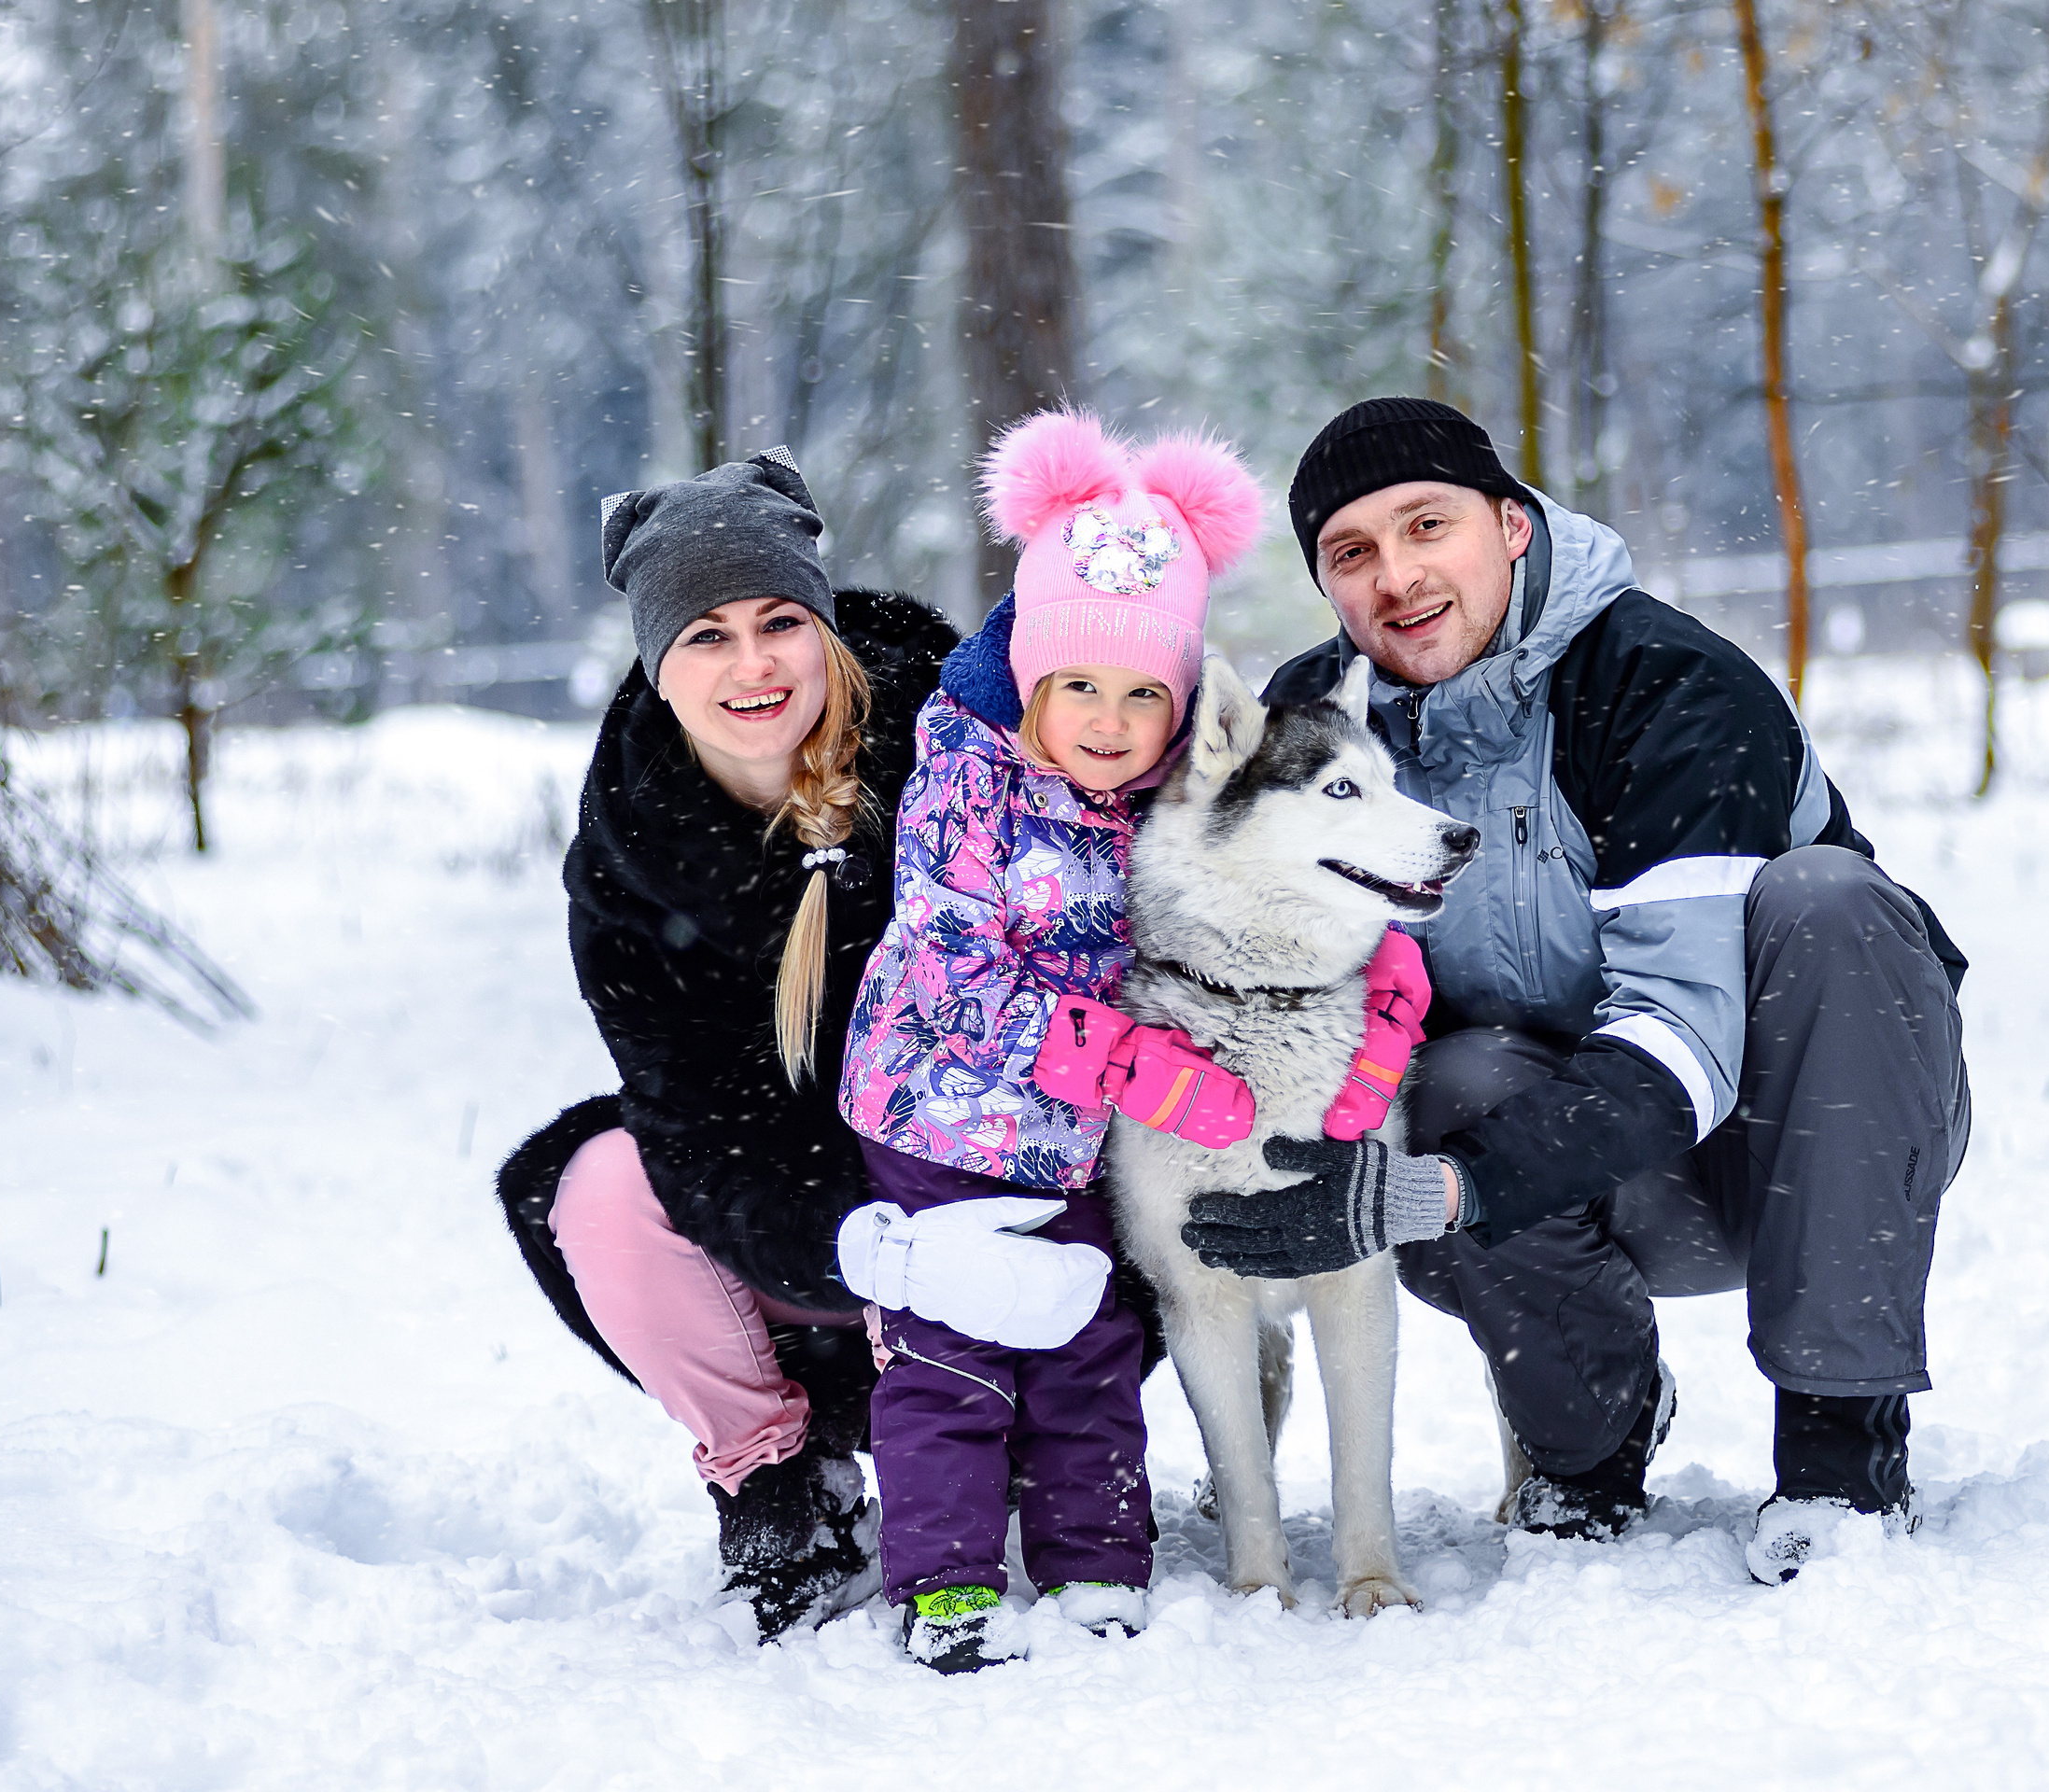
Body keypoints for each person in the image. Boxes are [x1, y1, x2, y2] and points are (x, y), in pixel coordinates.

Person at [1181, 398, 1971, 1586]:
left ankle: (1838, 1453)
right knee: (1442, 1078)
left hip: (1787, 1151)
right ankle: (1588, 1441)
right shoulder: (1317, 726)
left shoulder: (1669, 686)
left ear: (1508, 525)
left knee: (1831, 902)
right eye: (1351, 554)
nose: (1396, 577)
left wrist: (1447, 1189)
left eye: (1425, 526)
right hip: (1541, 1169)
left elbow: (1685, 1037)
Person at [493, 448, 959, 1639]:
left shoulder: (958, 758)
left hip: (979, 1211)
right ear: (657, 662)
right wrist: (843, 1244)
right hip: (801, 1239)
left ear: (826, 629)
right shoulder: (628, 851)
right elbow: (691, 1111)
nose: (752, 665)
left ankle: (992, 1437)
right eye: (705, 635)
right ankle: (774, 1481)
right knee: (590, 1185)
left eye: (778, 622)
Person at [836, 410, 1265, 1670]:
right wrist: (1131, 1065)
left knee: (1087, 1344)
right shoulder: (967, 777)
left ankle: (1094, 1568)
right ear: (1030, 675)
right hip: (937, 1115)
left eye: (1144, 692)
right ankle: (949, 1583)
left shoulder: (1173, 801)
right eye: (1079, 683)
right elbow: (958, 967)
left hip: (1075, 1142)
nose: (1109, 717)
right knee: (950, 1355)